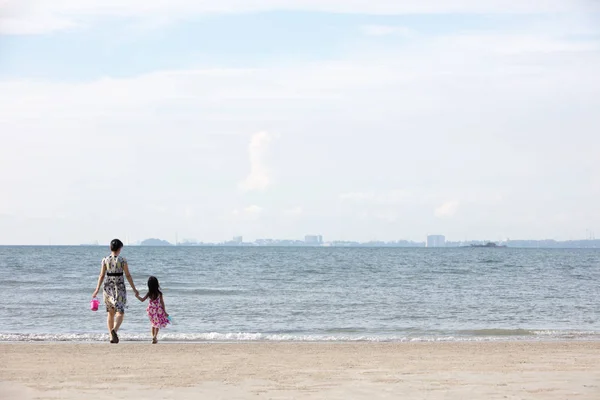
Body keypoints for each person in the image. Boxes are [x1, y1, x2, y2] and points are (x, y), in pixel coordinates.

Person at [92, 239, 139, 343]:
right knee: (120, 312)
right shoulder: (122, 260)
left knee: (110, 313)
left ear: (110, 247)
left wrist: (96, 289)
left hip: (108, 288)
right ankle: (114, 330)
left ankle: (111, 336)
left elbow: (101, 275)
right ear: (120, 248)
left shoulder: (105, 260)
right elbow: (128, 275)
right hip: (119, 288)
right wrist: (134, 289)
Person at [136, 276, 170, 344]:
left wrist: (137, 296)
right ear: (157, 284)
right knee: (157, 324)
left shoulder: (149, 293)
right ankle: (155, 336)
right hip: (158, 310)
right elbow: (162, 303)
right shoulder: (159, 293)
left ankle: (153, 337)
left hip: (151, 310)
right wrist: (165, 311)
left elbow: (142, 300)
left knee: (153, 324)